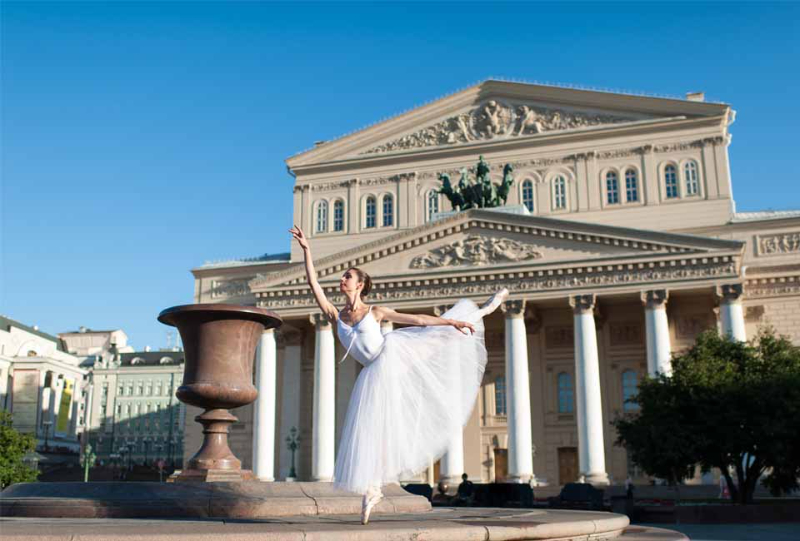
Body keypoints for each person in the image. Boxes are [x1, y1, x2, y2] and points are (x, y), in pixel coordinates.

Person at [289, 225, 509, 524]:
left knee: (439, 337)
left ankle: (482, 311)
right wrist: (307, 250)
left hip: (391, 356)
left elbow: (417, 319)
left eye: (348, 276)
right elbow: (313, 284)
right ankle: (372, 489)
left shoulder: (376, 311)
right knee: (369, 430)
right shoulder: (335, 315)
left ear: (360, 284)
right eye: (342, 277)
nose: (342, 279)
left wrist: (451, 322)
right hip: (372, 372)